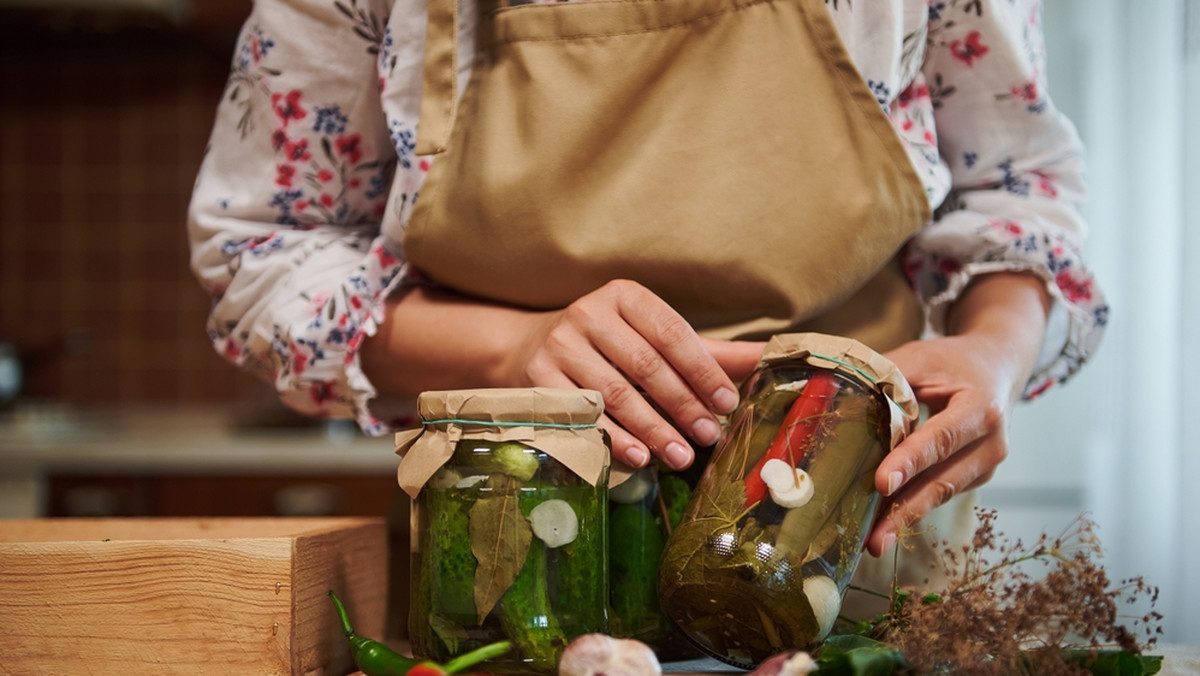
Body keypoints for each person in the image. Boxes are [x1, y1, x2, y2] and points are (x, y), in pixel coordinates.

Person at [188, 0, 1106, 565]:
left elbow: (1019, 200)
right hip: (503, 572)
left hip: (846, 544)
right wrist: (511, 349)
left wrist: (991, 351)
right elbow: (263, 255)